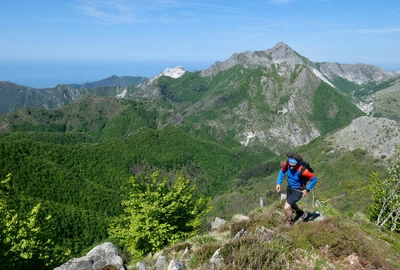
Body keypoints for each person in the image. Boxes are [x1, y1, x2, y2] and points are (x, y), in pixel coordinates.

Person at [275, 156, 318, 227]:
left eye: (293, 166)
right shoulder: (286, 164)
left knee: (286, 207)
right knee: (290, 204)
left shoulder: (303, 171)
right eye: (290, 165)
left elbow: (314, 179)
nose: (291, 167)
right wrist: (278, 183)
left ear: (297, 164)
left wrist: (307, 189)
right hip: (290, 187)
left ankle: (290, 221)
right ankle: (301, 213)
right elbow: (282, 171)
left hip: (298, 190)